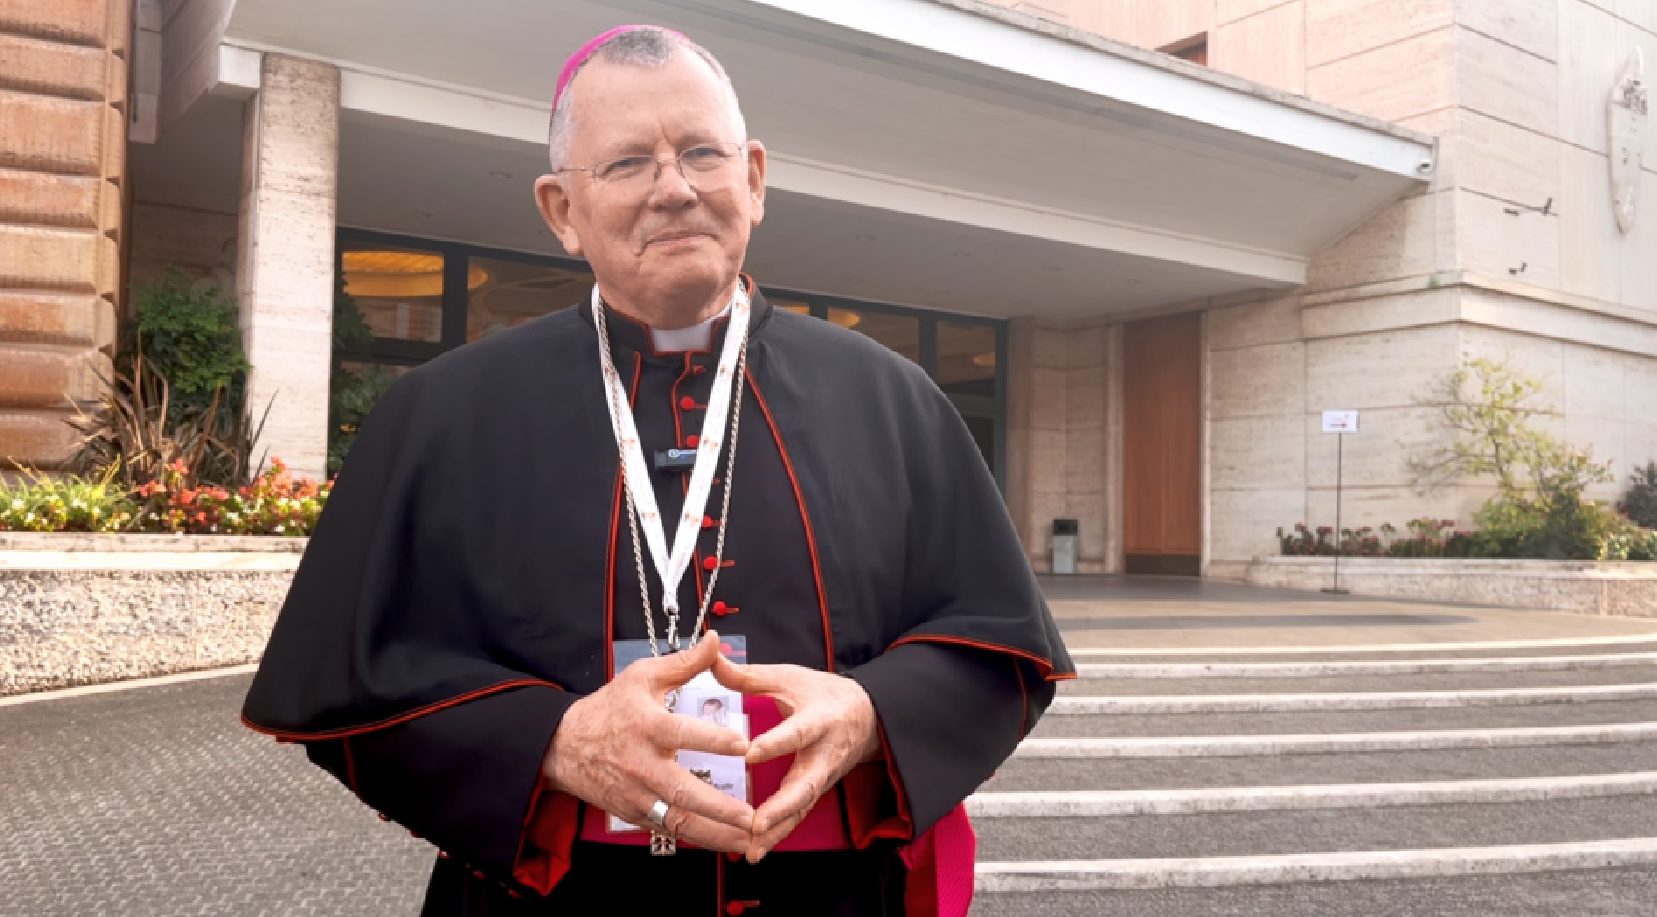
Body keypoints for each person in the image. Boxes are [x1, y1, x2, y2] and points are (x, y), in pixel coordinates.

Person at [241, 23, 1072, 917]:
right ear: (562, 209)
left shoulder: (892, 398)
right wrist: (552, 740)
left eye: (701, 153)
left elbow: (997, 642)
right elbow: (347, 678)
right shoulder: (442, 412)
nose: (673, 188)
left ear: (752, 180)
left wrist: (875, 712)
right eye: (628, 163)